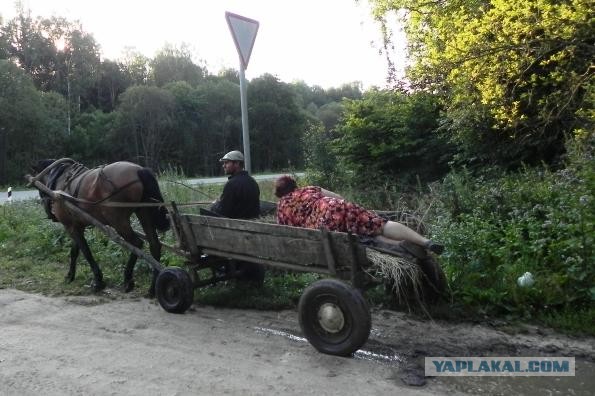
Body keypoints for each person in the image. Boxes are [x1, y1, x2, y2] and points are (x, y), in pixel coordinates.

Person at [274, 175, 444, 254]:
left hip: (324, 224)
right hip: (337, 206)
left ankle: (400, 246)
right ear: (294, 185)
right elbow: (339, 197)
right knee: (379, 225)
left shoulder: (282, 206)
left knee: (363, 237)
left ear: (279, 193)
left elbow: (287, 231)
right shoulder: (309, 189)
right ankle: (424, 241)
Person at [210, 150, 260, 219]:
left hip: (237, 225)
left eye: (226, 163)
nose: (223, 166)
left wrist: (215, 205)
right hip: (253, 222)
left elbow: (223, 212)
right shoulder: (252, 181)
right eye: (223, 163)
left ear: (237, 163)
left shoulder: (231, 184)